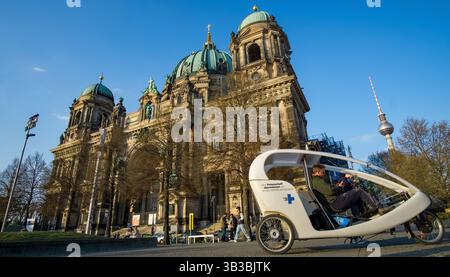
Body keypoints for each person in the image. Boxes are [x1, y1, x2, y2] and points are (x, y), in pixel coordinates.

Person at [311, 164, 386, 216]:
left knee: (353, 197)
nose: (324, 174)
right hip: (335, 203)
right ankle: (378, 208)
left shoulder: (318, 181)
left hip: (335, 202)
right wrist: (339, 187)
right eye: (323, 172)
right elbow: (330, 191)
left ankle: (361, 216)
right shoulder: (317, 181)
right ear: (317, 172)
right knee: (358, 191)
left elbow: (329, 189)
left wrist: (337, 186)